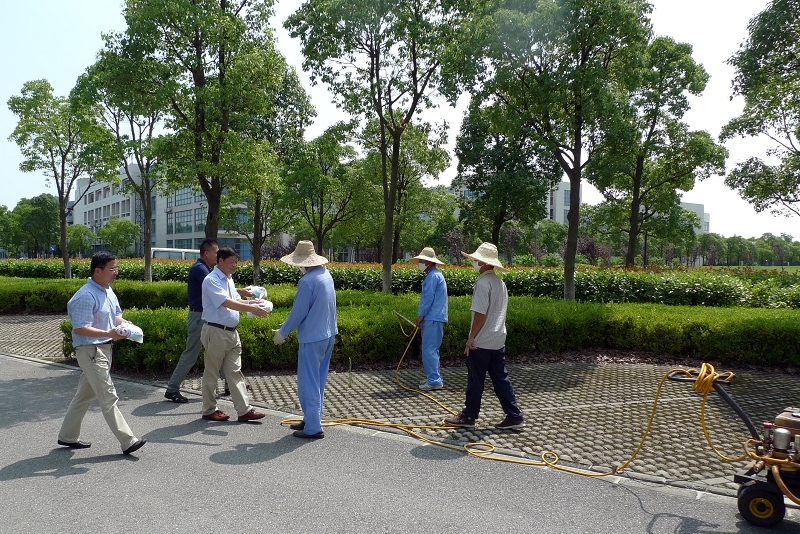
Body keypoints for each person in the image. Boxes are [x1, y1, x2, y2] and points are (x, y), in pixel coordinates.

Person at [58, 251, 147, 455]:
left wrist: (128, 326)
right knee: (108, 396)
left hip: (104, 349)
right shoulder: (85, 296)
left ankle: (67, 436)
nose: (116, 272)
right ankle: (128, 441)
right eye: (112, 268)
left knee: (84, 396)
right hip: (91, 351)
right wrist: (108, 333)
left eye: (117, 268)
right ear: (97, 271)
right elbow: (80, 328)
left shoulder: (107, 291)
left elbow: (116, 317)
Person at [444, 242, 525, 430]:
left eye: (477, 260)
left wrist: (471, 338)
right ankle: (514, 416)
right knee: (501, 380)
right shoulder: (500, 283)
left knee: (475, 380)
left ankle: (469, 416)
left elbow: (480, 314)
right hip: (497, 339)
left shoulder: (482, 283)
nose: (474, 262)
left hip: (482, 340)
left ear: (484, 263)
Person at [164, 239, 254, 403]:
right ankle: (172, 389)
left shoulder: (208, 270)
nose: (218, 254)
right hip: (200, 317)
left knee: (221, 353)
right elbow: (217, 289)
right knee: (191, 354)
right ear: (207, 253)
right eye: (216, 252)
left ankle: (230, 385)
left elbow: (222, 289)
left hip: (205, 317)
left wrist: (240, 293)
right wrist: (247, 300)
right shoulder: (201, 269)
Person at [272, 241, 337, 439]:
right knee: (318, 381)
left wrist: (282, 332)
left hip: (312, 338)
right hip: (328, 334)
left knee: (308, 383)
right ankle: (310, 419)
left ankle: (313, 427)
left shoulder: (307, 281)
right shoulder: (325, 275)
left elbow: (299, 312)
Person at [199, 246, 268, 422]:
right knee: (212, 373)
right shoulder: (211, 280)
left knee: (235, 372)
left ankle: (244, 410)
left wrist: (253, 303)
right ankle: (209, 410)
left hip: (231, 333)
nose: (234, 265)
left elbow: (235, 300)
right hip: (216, 332)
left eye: (236, 262)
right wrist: (251, 308)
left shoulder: (229, 279)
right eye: (231, 262)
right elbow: (226, 302)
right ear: (220, 260)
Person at [411, 247, 448, 391]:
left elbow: (428, 299)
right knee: (432, 349)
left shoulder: (432, 277)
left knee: (429, 350)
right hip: (436, 317)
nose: (420, 262)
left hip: (432, 318)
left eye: (422, 260)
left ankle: (434, 380)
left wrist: (420, 316)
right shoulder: (436, 275)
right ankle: (434, 377)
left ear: (429, 262)